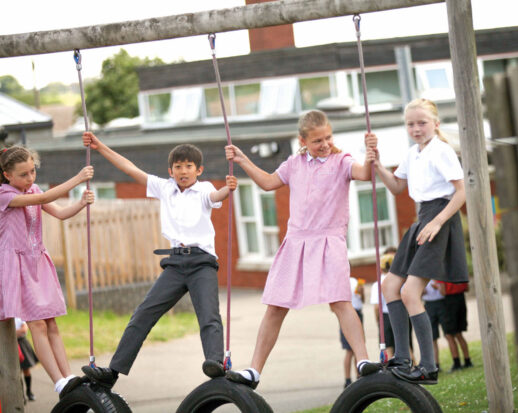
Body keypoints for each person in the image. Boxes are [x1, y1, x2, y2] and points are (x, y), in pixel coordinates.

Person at [224, 110, 381, 389]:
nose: (325, 144)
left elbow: (364, 174)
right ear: (303, 140)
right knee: (275, 308)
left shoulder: (341, 161)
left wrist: (371, 155)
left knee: (340, 302)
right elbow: (268, 183)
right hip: (296, 242)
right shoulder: (294, 164)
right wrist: (242, 159)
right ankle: (254, 371)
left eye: (328, 138)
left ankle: (363, 361)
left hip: (329, 241)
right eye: (317, 140)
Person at [80, 132, 237, 388]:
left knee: (209, 316)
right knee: (142, 314)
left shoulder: (204, 189)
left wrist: (228, 189)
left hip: (202, 262)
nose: (183, 171)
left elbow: (216, 197)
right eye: (178, 167)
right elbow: (129, 168)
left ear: (199, 170)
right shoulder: (164, 188)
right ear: (170, 171)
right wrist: (99, 147)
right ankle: (114, 370)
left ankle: (215, 363)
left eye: (188, 166)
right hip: (174, 264)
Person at [373, 98, 468, 384]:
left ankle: (428, 366)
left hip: (438, 219)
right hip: (421, 220)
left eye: (422, 123)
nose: (416, 128)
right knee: (390, 285)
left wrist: (438, 222)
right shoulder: (413, 153)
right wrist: (377, 164)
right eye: (410, 124)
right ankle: (402, 357)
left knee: (410, 293)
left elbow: (462, 192)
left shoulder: (442, 151)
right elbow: (396, 187)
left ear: (436, 124)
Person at [0, 145, 95, 397]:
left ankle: (69, 376)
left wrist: (81, 203)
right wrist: (78, 178)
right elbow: (43, 200)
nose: (30, 178)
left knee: (51, 322)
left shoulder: (33, 189)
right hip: (17, 266)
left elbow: (61, 213)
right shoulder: (4, 195)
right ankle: (58, 381)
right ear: (7, 175)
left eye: (32, 171)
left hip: (37, 261)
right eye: (23, 174)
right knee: (37, 325)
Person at [369, 250, 415, 362]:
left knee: (388, 348)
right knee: (406, 346)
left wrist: (378, 321)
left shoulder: (377, 284)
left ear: (381, 267)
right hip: (402, 314)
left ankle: (390, 373)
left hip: (385, 316)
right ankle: (414, 368)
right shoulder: (401, 281)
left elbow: (376, 306)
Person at [437, 281, 473, 372]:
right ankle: (467, 360)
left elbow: (443, 292)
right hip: (461, 299)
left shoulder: (443, 271)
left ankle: (456, 363)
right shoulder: (460, 269)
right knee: (459, 334)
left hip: (449, 302)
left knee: (449, 334)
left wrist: (436, 287)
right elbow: (467, 288)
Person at [341, 276, 365, 388]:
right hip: (347, 314)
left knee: (358, 348)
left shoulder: (355, 281)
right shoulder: (339, 281)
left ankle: (359, 375)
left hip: (358, 313)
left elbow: (362, 299)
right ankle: (347, 379)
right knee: (349, 351)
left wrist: (362, 292)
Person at [422, 281, 446, 372]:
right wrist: (422, 290)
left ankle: (457, 361)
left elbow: (443, 292)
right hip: (428, 305)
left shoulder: (438, 276)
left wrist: (438, 287)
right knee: (432, 337)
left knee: (448, 334)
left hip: (441, 303)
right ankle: (436, 364)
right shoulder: (422, 276)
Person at [15, 317, 39, 401]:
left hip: (22, 344)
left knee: (26, 369)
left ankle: (29, 392)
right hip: (11, 343)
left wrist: (11, 333)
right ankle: (21, 395)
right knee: (16, 372)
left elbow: (24, 330)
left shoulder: (18, 317)